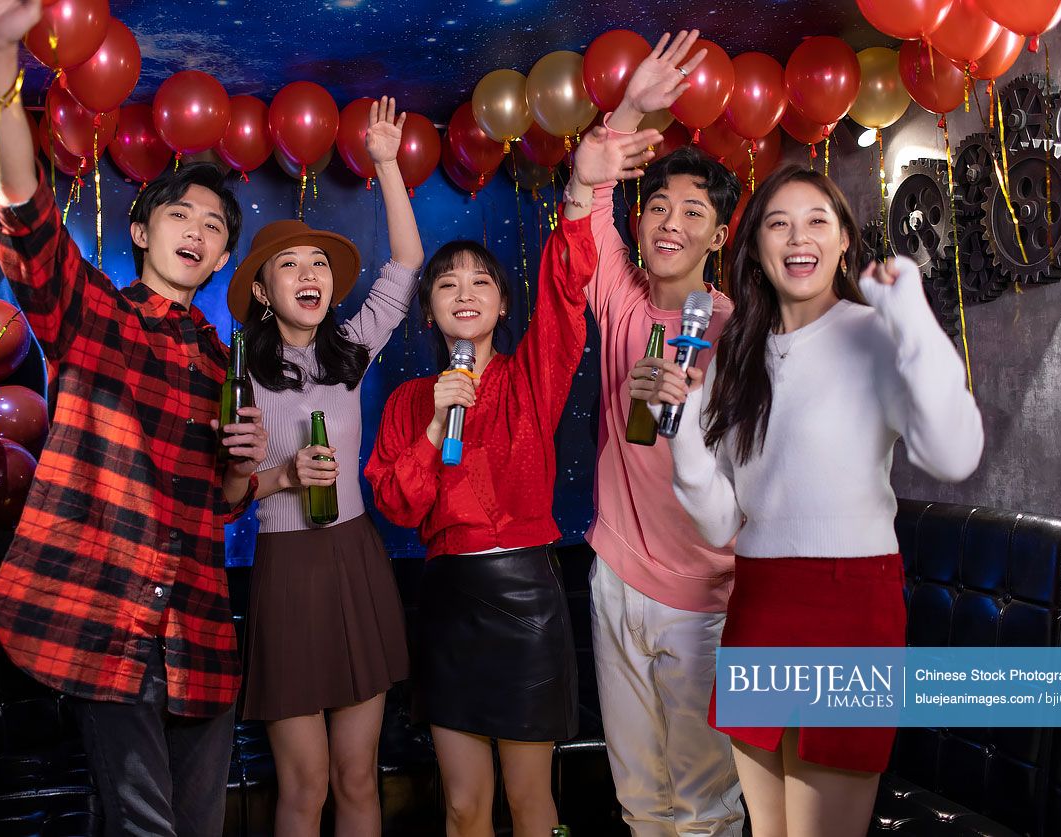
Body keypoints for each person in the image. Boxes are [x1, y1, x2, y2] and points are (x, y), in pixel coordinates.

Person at [0, 2, 268, 835]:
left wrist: (243, 468)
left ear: (217, 258)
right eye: (181, 214)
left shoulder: (224, 363)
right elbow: (25, 215)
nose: (198, 231)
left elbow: (221, 501)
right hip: (106, 621)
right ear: (141, 228)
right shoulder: (94, 315)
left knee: (197, 826)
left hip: (202, 635)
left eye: (214, 227)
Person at [643, 165, 984, 836]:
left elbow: (955, 456)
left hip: (850, 600)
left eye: (815, 221)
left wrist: (910, 315)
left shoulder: (877, 333)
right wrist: (677, 429)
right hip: (760, 599)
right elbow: (717, 521)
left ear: (842, 241)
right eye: (777, 222)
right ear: (755, 249)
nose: (796, 237)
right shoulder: (735, 355)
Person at [364, 128, 658, 837]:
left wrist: (581, 192)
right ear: (430, 308)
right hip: (445, 605)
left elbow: (564, 289)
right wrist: (437, 425)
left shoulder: (533, 375)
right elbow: (398, 504)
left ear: (500, 305)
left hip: (525, 601)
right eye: (446, 283)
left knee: (531, 805)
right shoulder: (408, 400)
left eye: (480, 282)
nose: (463, 294)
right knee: (463, 806)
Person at [563, 29, 744, 835]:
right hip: (615, 575)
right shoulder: (623, 298)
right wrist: (631, 105)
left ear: (718, 236)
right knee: (639, 796)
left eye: (692, 211)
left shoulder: (740, 332)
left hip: (706, 596)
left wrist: (693, 412)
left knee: (703, 801)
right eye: (660, 206)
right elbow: (585, 200)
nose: (669, 221)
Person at [226, 97, 422, 837]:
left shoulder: (349, 352)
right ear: (261, 290)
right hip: (286, 571)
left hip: (355, 558)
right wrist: (276, 480)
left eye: (318, 263)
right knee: (304, 787)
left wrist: (383, 163)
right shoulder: (238, 375)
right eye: (288, 265)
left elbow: (405, 262)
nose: (307, 273)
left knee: (356, 779)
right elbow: (221, 497)